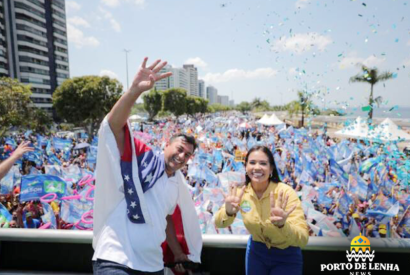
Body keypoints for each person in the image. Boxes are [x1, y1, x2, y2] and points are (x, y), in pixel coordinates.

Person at [92, 57, 202, 275]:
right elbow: (113, 127)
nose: (182, 156)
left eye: (188, 155)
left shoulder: (175, 186)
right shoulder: (140, 158)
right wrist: (134, 91)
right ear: (166, 145)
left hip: (152, 266)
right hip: (116, 260)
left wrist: (178, 253)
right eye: (179, 149)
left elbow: (166, 219)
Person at [214, 145, 309, 275]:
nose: (257, 167)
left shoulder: (285, 193)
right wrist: (229, 211)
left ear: (271, 169)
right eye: (252, 162)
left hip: (287, 256)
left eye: (263, 163)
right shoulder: (239, 193)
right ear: (246, 167)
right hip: (256, 254)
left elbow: (303, 239)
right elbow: (219, 223)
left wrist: (283, 225)